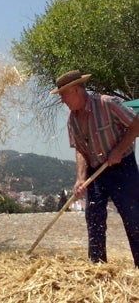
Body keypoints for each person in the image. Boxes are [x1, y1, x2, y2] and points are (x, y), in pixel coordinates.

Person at [50, 69, 139, 267]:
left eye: (63, 95)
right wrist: (80, 178)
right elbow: (81, 150)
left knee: (133, 218)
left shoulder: (106, 104)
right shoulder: (72, 119)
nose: (62, 100)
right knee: (94, 218)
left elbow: (136, 125)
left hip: (122, 168)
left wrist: (119, 150)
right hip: (95, 171)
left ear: (75, 90)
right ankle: (97, 267)